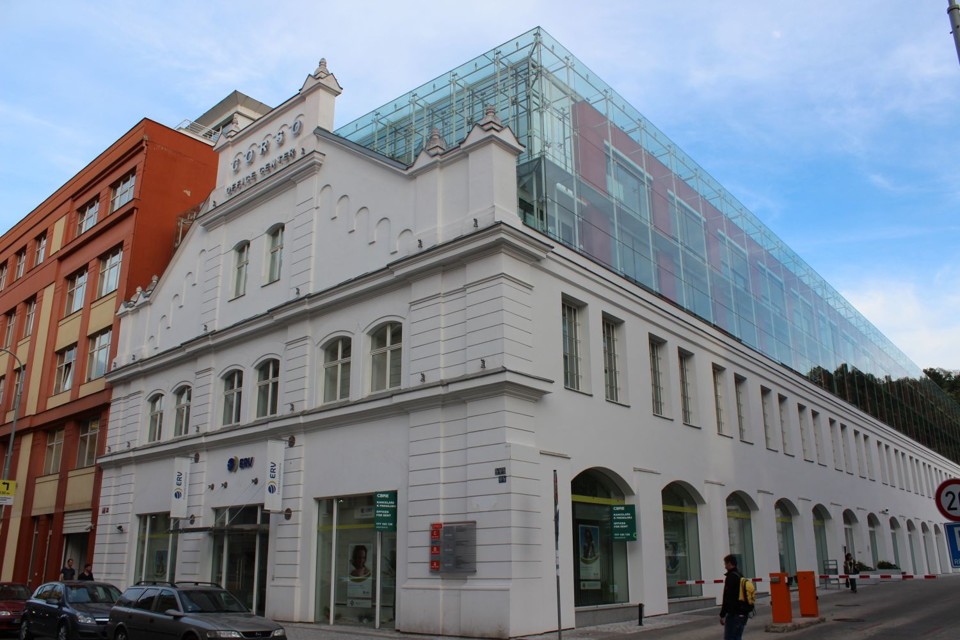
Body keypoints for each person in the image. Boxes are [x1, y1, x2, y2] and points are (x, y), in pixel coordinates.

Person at [719, 554, 749, 640]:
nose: (725, 566)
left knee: (730, 638)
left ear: (729, 563)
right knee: (738, 637)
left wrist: (722, 614)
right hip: (743, 613)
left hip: (734, 614)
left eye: (725, 564)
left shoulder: (731, 577)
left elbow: (727, 598)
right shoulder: (740, 576)